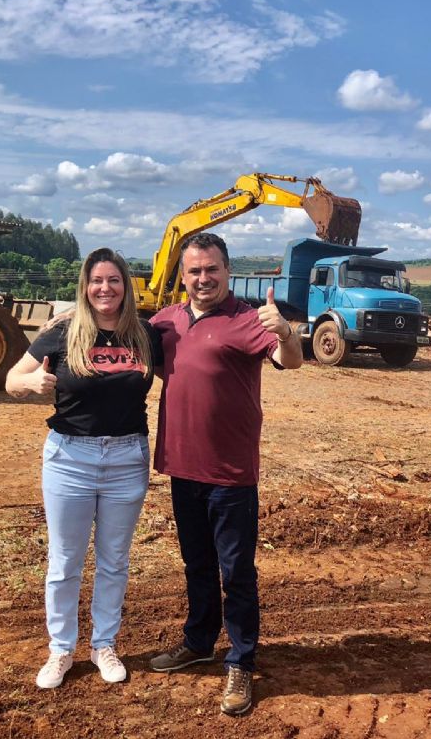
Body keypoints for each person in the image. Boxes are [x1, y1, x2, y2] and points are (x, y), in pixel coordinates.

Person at [147, 232, 302, 716]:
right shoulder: (165, 321)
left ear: (226, 270)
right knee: (196, 565)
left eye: (211, 269)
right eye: (193, 270)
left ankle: (240, 659)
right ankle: (198, 642)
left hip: (231, 473)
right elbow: (124, 347)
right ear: (183, 275)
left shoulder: (248, 320)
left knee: (235, 572)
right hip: (180, 465)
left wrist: (288, 332)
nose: (202, 278)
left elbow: (289, 361)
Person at [5, 248, 162, 689]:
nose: (105, 288)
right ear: (85, 285)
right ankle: (61, 650)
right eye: (97, 280)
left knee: (114, 561)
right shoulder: (62, 331)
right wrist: (30, 383)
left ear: (125, 286)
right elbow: (11, 379)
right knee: (65, 561)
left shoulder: (145, 335)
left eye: (114, 280)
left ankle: (103, 644)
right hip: (69, 459)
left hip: (128, 458)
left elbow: (189, 373)